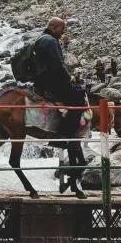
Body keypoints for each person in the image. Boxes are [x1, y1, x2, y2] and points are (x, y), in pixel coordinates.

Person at [33, 17, 85, 146]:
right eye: (62, 29)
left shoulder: (41, 38)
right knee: (78, 100)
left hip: (41, 81)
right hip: (51, 83)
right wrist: (69, 78)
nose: (63, 32)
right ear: (54, 27)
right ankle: (62, 137)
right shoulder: (51, 41)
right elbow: (57, 65)